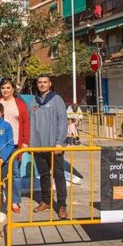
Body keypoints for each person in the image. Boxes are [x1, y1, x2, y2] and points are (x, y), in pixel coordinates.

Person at [30, 75, 69, 220]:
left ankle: (62, 205)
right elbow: (30, 124)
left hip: (54, 146)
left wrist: (60, 142)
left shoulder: (56, 100)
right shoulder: (33, 101)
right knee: (44, 175)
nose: (42, 84)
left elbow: (62, 122)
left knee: (58, 175)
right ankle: (46, 201)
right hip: (38, 147)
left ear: (50, 84)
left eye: (45, 82)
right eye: (39, 82)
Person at [0, 78, 29, 214]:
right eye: (3, 88)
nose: (5, 90)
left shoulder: (20, 104)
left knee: (15, 174)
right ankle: (0, 199)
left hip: (15, 144)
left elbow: (25, 123)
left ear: (13, 89)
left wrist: (25, 142)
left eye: (8, 87)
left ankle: (15, 200)